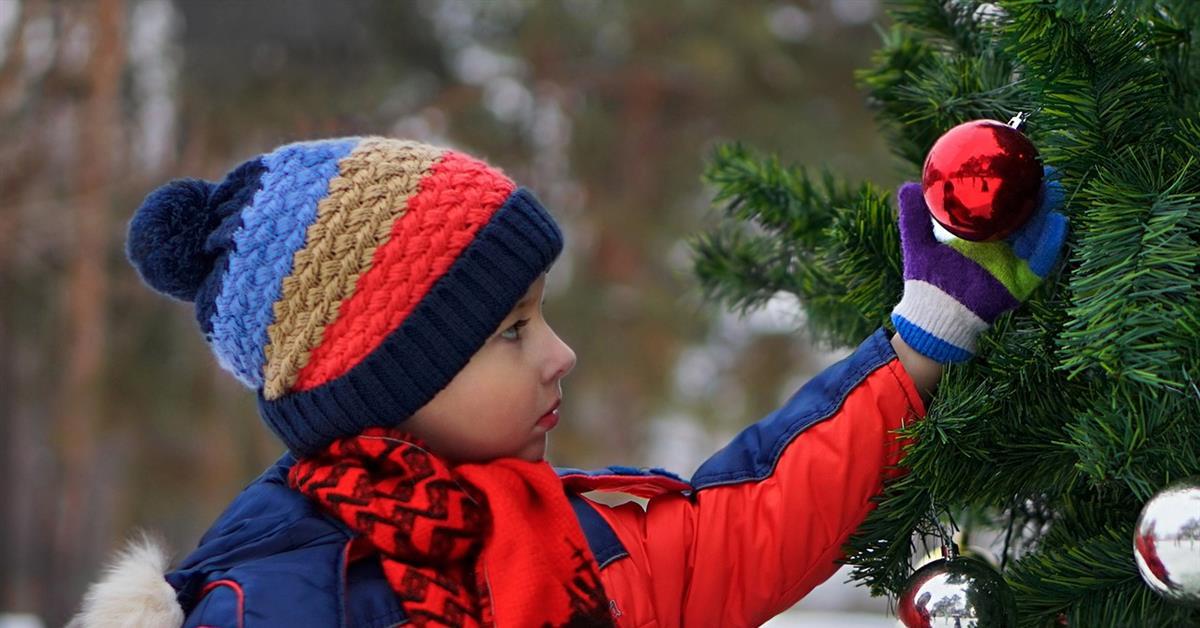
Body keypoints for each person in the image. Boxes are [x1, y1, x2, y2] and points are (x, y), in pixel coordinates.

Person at [69, 136, 1067, 627]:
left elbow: (745, 523)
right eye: (513, 330)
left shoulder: (548, 537)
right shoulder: (280, 602)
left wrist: (923, 338)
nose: (561, 354)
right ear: (387, 382)